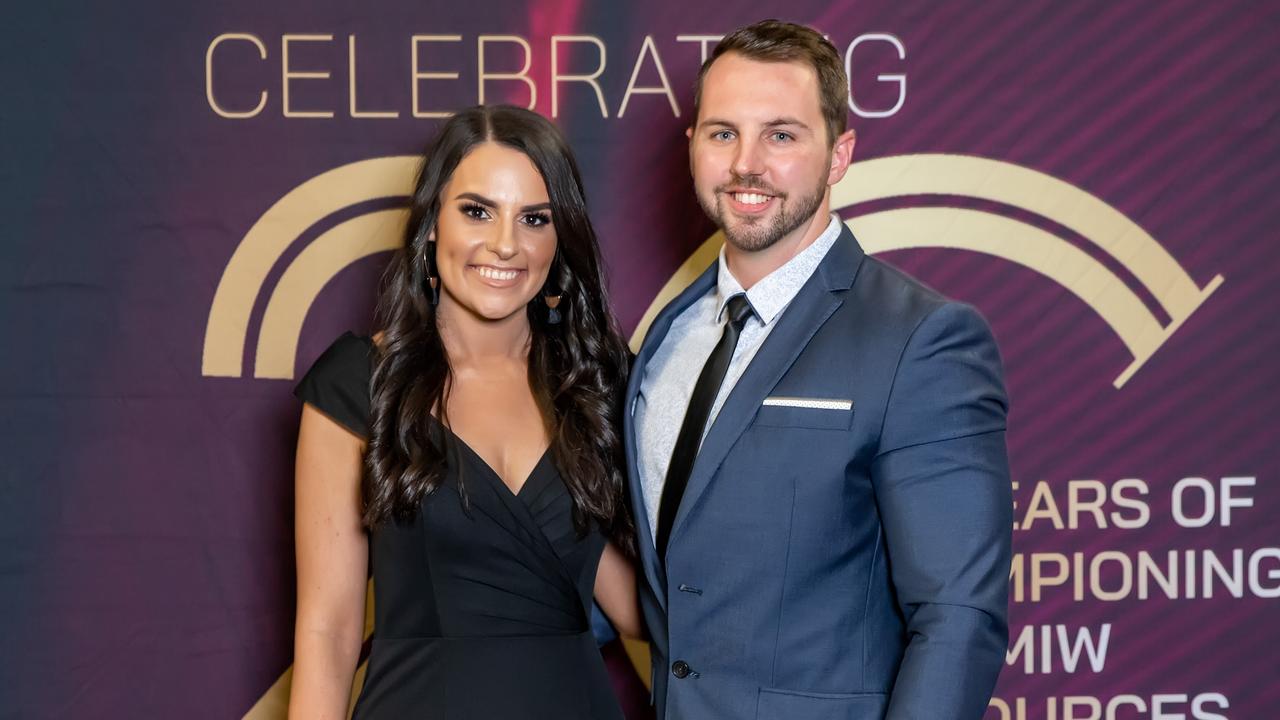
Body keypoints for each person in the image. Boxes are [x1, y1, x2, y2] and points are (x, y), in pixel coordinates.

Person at [625, 20, 1012, 720]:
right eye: (722, 133)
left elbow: (957, 619)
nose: (746, 164)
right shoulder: (667, 338)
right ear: (693, 149)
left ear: (839, 154)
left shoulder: (921, 338)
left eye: (781, 135)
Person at [288, 104, 642, 720]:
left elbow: (636, 608)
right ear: (431, 223)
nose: (506, 244)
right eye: (477, 211)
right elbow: (328, 632)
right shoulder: (357, 385)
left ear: (560, 240)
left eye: (534, 219)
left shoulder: (600, 382)